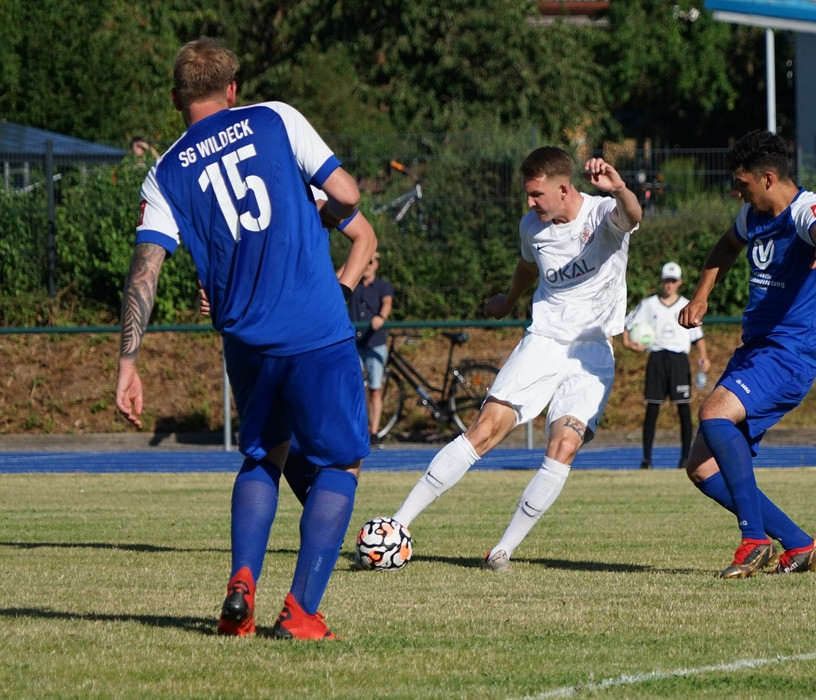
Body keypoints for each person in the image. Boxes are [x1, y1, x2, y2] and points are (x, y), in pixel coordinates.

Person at [114, 37, 378, 639]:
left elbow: (145, 271)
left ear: (176, 99)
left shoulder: (164, 174)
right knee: (341, 462)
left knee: (264, 455)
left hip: (246, 342)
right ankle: (302, 612)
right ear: (232, 89)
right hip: (315, 328)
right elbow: (348, 196)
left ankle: (241, 585)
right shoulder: (275, 118)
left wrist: (129, 360)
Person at [389, 146, 642, 572]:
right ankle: (398, 524)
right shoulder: (532, 226)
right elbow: (529, 266)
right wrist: (508, 300)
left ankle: (501, 551)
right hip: (543, 342)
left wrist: (619, 188)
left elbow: (632, 216)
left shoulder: (602, 213)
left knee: (564, 446)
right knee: (483, 430)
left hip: (592, 353)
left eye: (536, 194)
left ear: (563, 189)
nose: (530, 202)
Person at [677, 129, 816, 578]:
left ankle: (754, 541)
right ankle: (801, 544)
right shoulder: (751, 215)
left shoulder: (806, 209)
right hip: (757, 351)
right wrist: (700, 296)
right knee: (701, 467)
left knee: (713, 415)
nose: (737, 190)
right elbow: (726, 247)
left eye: (742, 182)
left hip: (789, 353)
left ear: (767, 178)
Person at [623, 261, 709, 471]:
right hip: (657, 358)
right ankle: (647, 459)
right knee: (652, 408)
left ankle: (685, 458)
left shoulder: (687, 305)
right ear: (661, 281)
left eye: (673, 281)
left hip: (679, 360)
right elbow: (626, 323)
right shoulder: (649, 304)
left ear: (679, 282)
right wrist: (628, 343)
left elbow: (698, 336)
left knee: (683, 408)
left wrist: (704, 357)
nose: (669, 285)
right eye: (666, 280)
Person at [342, 252, 394, 445]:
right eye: (366, 261)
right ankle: (355, 429)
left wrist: (381, 316)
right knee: (352, 389)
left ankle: (374, 431)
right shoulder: (353, 284)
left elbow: (387, 302)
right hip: (355, 344)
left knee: (374, 389)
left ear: (376, 264)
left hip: (374, 344)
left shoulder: (382, 286)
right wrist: (358, 255)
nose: (367, 264)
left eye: (371, 261)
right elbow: (337, 279)